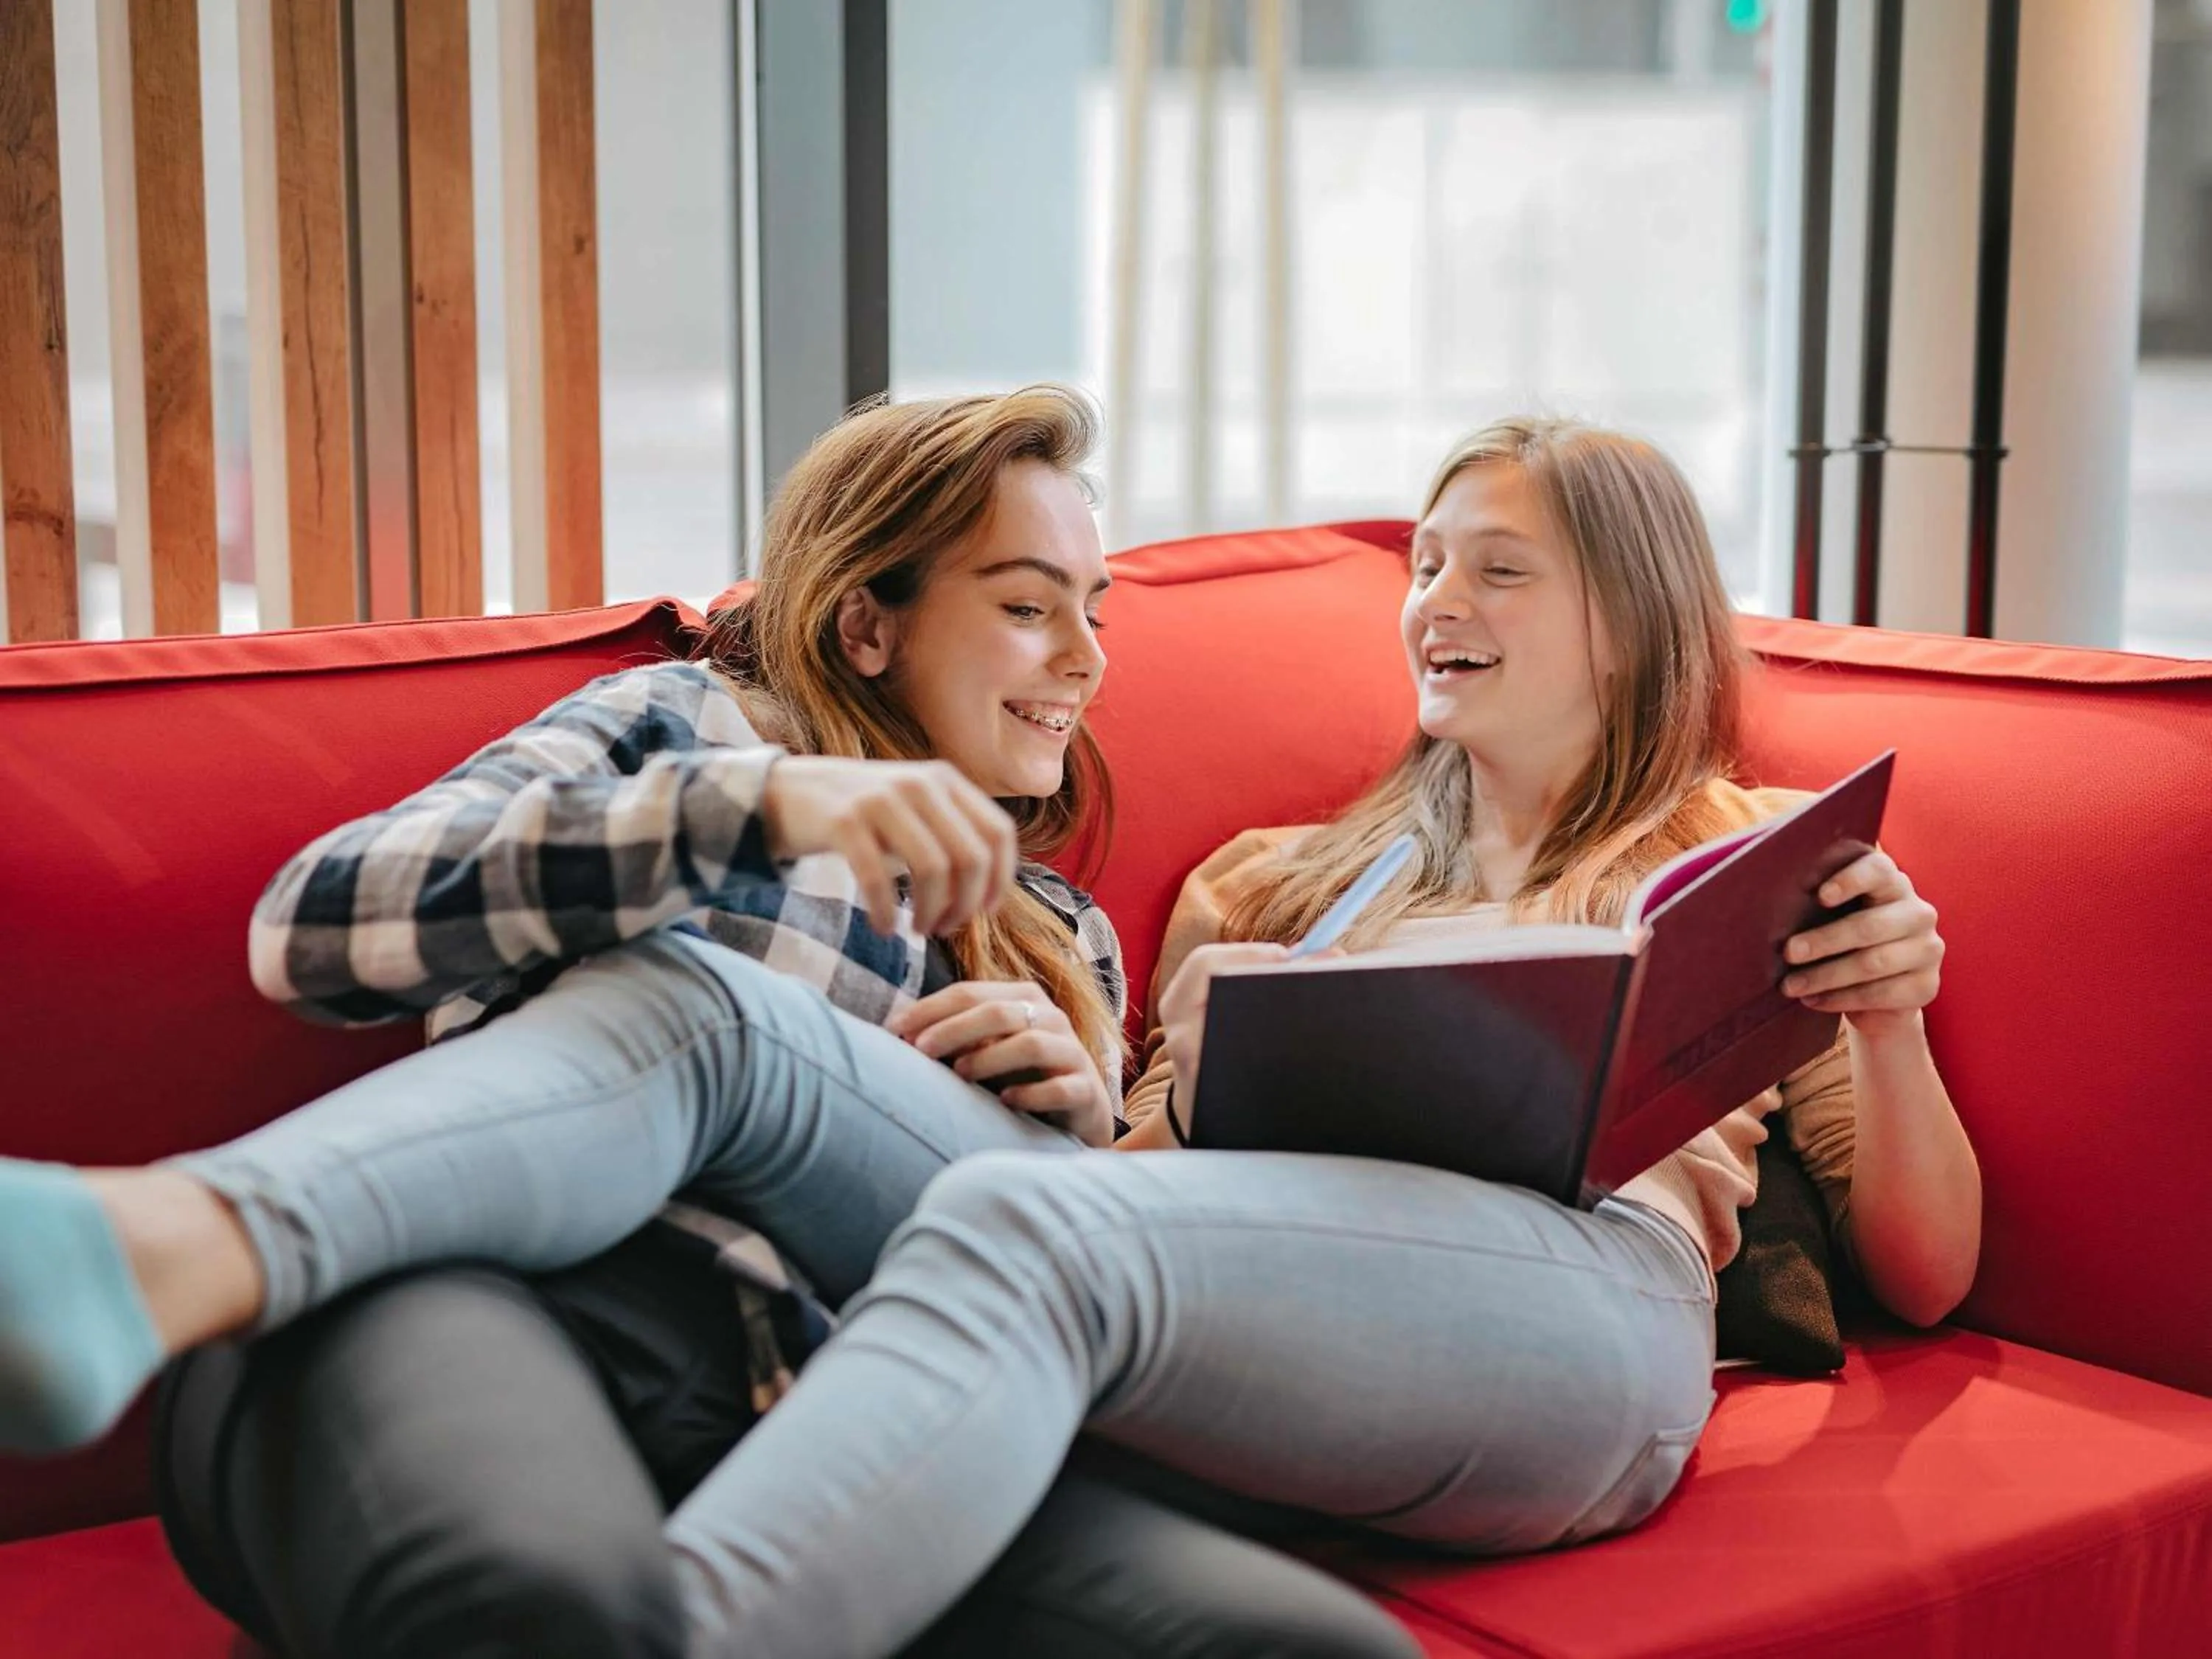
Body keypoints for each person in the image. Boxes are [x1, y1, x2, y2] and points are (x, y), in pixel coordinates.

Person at [349, 414, 1970, 1659]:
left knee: (1016, 1230)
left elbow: (1926, 1271)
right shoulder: (1272, 886)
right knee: (996, 1212)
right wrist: (1163, 1103)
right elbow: (1121, 1213)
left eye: (1496, 569)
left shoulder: (1751, 863)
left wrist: (1887, 1022)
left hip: (1583, 1308)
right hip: (1288, 1334)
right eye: (1421, 563)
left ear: (1627, 617)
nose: (1432, 605)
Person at [0, 386, 1416, 1658]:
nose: (1089, 661)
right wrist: (750, 810)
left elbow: (1085, 1307)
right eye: (1033, 605)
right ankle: (141, 1259)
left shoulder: (1062, 935)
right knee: (546, 1606)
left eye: (1097, 610)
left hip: (831, 1398)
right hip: (487, 1291)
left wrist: (1078, 1129)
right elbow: (311, 929)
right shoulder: (685, 729)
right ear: (870, 622)